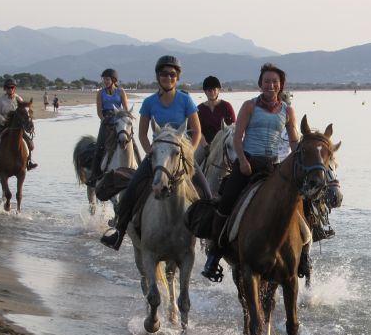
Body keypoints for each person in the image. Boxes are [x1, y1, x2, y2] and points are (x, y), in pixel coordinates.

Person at [201, 63, 299, 282]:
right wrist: (243, 161)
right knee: (226, 202)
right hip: (248, 163)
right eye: (266, 81)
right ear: (260, 84)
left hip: (273, 166)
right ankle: (214, 255)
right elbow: (237, 137)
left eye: (275, 81)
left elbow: (293, 140)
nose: (270, 85)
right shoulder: (249, 106)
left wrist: (297, 160)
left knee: (296, 204)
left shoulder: (288, 110)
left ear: (281, 85)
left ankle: (302, 253)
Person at [100, 55, 202, 250]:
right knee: (131, 191)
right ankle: (119, 232)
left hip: (181, 156)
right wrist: (152, 154)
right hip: (157, 156)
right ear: (158, 77)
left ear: (177, 77)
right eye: (164, 74)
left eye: (172, 74)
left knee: (205, 192)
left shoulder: (186, 100)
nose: (168, 77)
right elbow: (142, 134)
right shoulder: (148, 103)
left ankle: (211, 241)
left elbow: (197, 132)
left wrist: (189, 154)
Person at [0, 78, 38, 171]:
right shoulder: (1, 99)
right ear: (5, 89)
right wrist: (4, 121)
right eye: (8, 87)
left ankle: (29, 161)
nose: (10, 89)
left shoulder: (18, 99)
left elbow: (23, 112)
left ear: (14, 88)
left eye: (12, 87)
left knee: (29, 143)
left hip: (15, 126)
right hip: (1, 124)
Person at [86, 68, 130, 186]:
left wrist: (124, 121)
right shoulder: (100, 93)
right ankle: (94, 176)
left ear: (113, 80)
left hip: (119, 122)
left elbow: (125, 109)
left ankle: (135, 168)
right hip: (106, 122)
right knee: (99, 147)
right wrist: (104, 120)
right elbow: (99, 111)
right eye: (104, 79)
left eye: (107, 79)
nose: (105, 81)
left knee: (131, 143)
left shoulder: (121, 92)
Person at [197, 75, 236, 153]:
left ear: (218, 90)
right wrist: (206, 146)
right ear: (205, 91)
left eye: (214, 89)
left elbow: (233, 128)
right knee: (194, 162)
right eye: (209, 90)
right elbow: (197, 130)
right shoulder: (199, 109)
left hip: (223, 144)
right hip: (204, 145)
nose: (212, 92)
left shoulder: (226, 106)